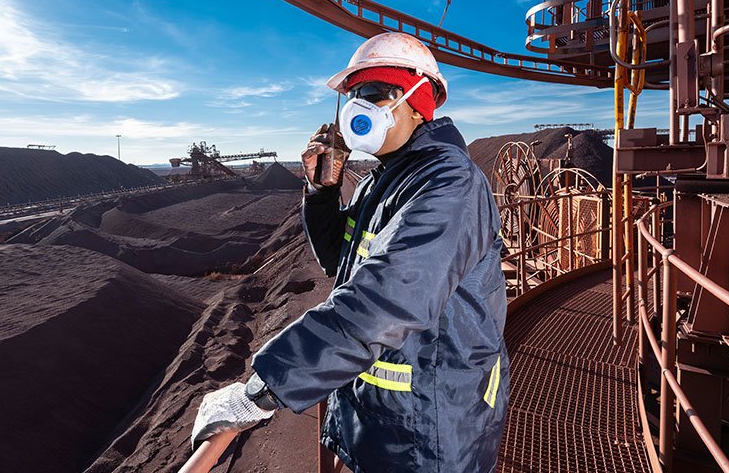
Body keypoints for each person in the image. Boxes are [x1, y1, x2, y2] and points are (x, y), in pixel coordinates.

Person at [191, 32, 510, 472]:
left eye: (376, 94)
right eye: (355, 96)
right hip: (388, 421)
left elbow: (385, 301)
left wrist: (262, 390)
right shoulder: (382, 180)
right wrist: (321, 193)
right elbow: (341, 263)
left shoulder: (447, 183)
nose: (360, 106)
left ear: (420, 100)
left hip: (432, 429)